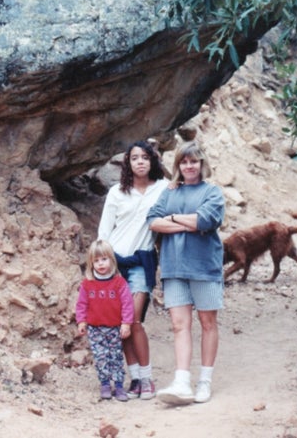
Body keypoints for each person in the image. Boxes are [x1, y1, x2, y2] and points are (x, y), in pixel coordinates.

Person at [147, 140, 226, 405]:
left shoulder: (212, 192)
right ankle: (182, 381)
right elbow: (152, 222)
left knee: (207, 323)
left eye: (194, 161)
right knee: (179, 325)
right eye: (184, 161)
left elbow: (206, 221)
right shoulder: (170, 193)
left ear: (202, 163)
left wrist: (173, 219)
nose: (189, 166)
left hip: (204, 267)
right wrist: (187, 222)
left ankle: (204, 380)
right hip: (173, 267)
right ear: (178, 165)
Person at [97, 140, 168, 399]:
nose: (140, 162)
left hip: (142, 262)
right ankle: (135, 378)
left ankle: (147, 379)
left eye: (145, 158)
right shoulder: (117, 192)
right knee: (120, 323)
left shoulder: (162, 189)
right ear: (127, 162)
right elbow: (104, 232)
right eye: (135, 157)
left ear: (153, 162)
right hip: (115, 263)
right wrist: (100, 265)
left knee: (134, 320)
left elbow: (180, 189)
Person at [75, 240, 134, 401]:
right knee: (100, 357)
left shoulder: (119, 283)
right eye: (96, 260)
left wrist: (126, 323)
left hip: (115, 328)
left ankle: (120, 385)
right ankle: (105, 384)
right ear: (91, 263)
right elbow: (81, 304)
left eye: (104, 259)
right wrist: (81, 321)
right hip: (95, 328)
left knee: (115, 356)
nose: (100, 264)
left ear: (111, 260)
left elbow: (127, 304)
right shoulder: (88, 284)